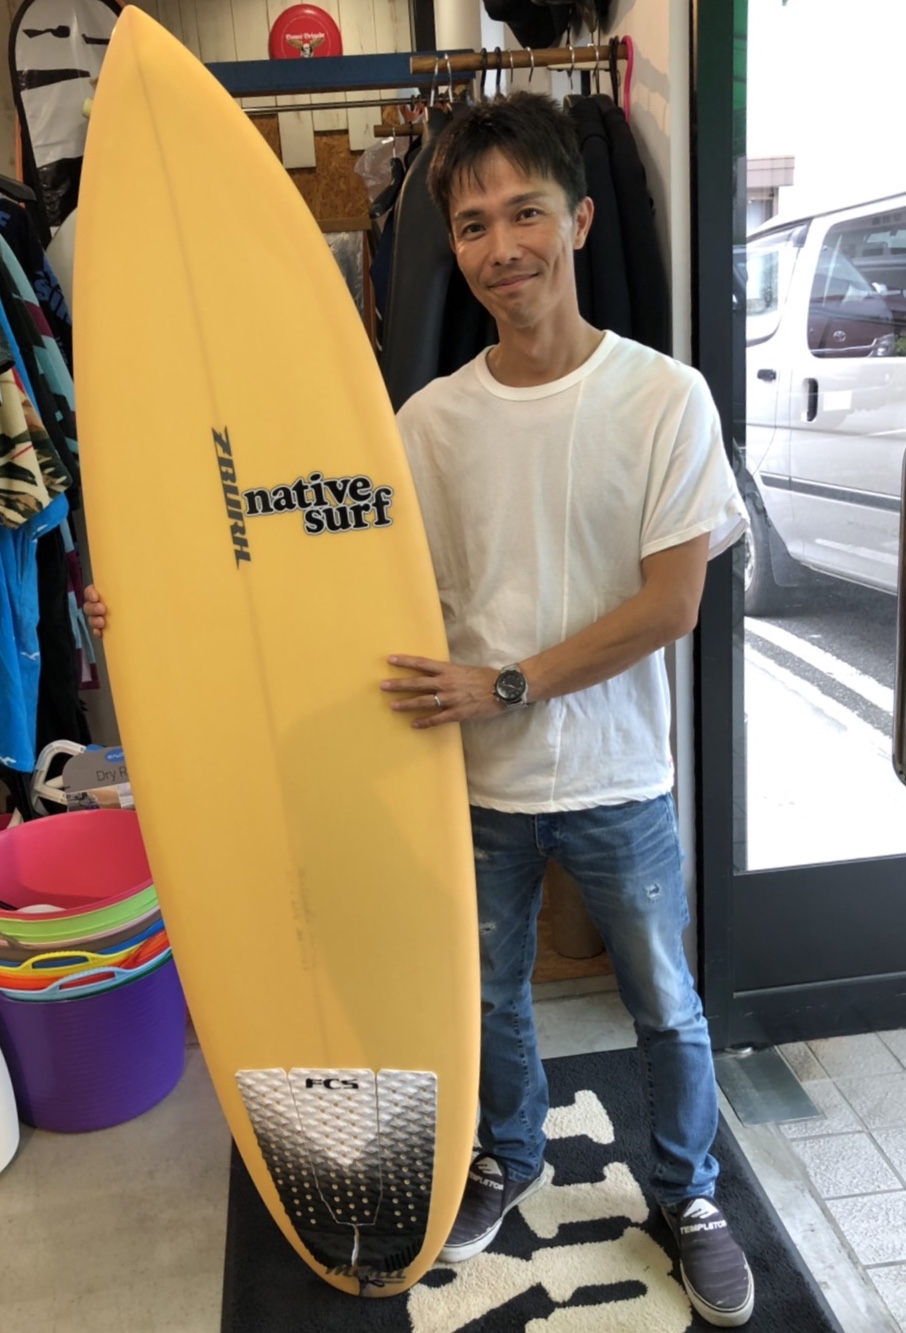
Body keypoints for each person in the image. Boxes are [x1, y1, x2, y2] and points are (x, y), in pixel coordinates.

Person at [85, 92, 753, 1328]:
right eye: (474, 225)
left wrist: (506, 683)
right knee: (485, 999)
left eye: (525, 214)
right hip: (473, 784)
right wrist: (157, 612)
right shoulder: (427, 425)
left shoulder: (666, 399)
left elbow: (672, 604)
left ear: (580, 220)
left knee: (665, 1003)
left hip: (620, 777)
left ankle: (688, 1193)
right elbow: (316, 574)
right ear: (453, 247)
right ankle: (508, 1154)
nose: (502, 247)